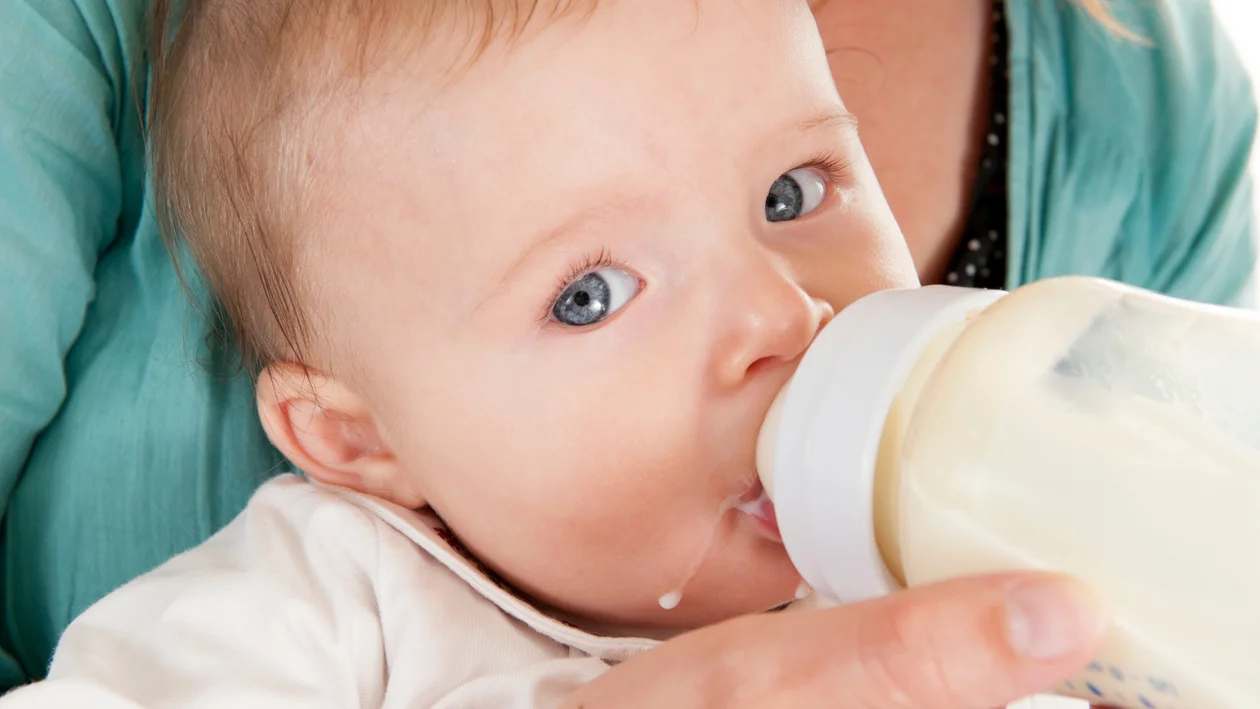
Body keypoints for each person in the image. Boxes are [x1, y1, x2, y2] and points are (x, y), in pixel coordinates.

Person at [0, 0, 1250, 698]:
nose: (782, 317)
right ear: (358, 438)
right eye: (590, 295)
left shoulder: (941, 558)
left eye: (792, 193)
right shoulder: (321, 611)